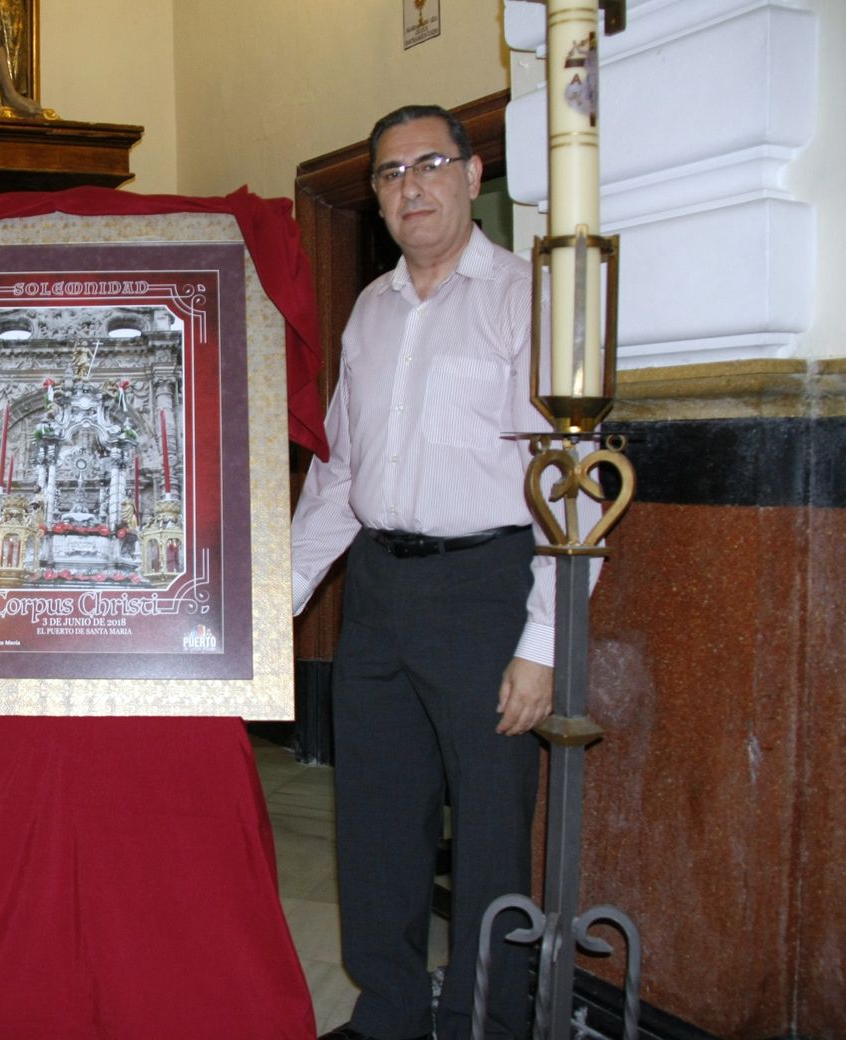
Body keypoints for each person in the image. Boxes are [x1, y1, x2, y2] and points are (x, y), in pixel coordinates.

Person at [291, 104, 570, 1040]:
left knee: (491, 826)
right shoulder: (370, 311)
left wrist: (543, 643)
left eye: (429, 164)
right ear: (374, 196)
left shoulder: (526, 297)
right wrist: (279, 595)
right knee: (374, 818)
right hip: (376, 591)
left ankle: (492, 1021)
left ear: (471, 173)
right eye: (389, 173)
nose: (410, 186)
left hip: (486, 588)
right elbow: (340, 473)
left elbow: (572, 484)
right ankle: (391, 1010)